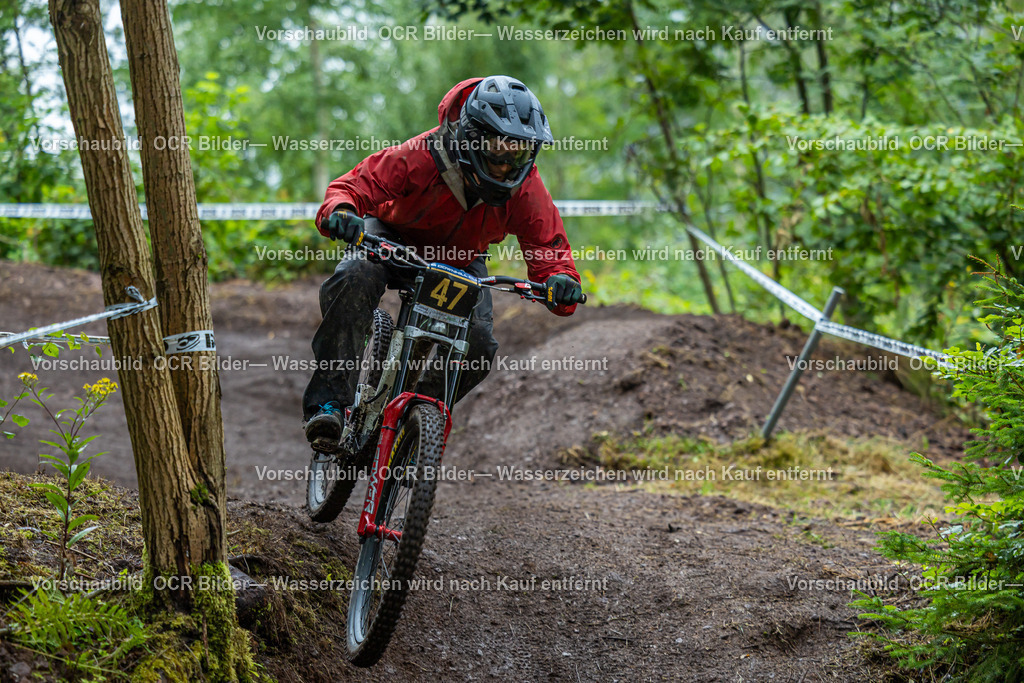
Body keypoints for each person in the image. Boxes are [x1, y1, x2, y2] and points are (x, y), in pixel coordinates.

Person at [303, 75, 585, 446]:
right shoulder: (422, 155)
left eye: (518, 153)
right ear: (470, 137)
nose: (506, 166)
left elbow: (549, 247)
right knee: (355, 275)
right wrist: (343, 211)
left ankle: (415, 425)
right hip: (391, 236)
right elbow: (353, 186)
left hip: (461, 258)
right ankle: (330, 403)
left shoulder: (525, 187)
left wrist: (561, 281)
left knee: (480, 344)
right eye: (498, 150)